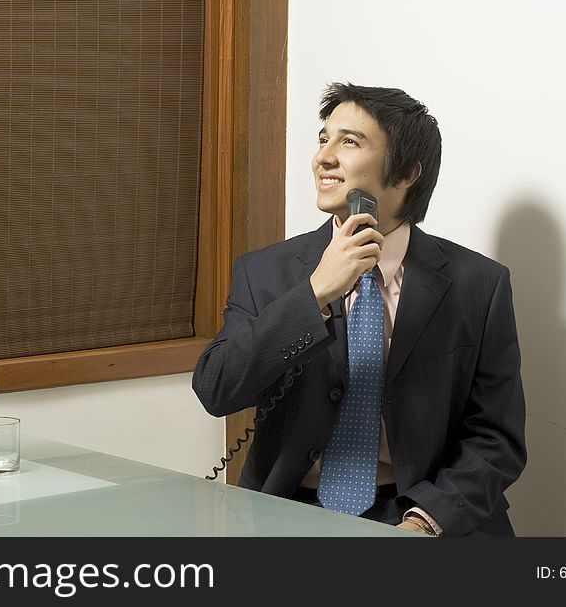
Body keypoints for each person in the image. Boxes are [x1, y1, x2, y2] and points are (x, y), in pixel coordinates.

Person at [192, 83, 526, 537]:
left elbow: (497, 438)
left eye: (349, 141)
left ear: (407, 171)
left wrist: (424, 524)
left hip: (422, 512)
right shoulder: (264, 272)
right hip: (292, 514)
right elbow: (217, 389)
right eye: (323, 139)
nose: (324, 157)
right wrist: (313, 293)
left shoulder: (479, 284)